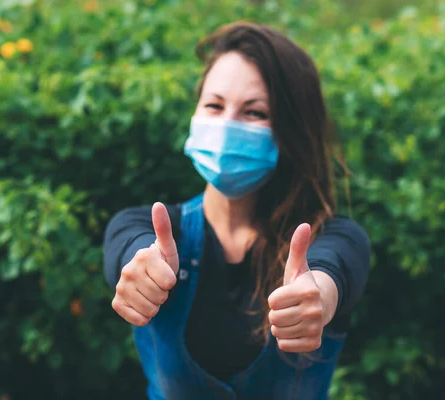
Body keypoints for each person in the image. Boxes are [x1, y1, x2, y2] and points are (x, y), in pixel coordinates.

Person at [103, 21, 370, 400]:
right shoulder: (146, 229)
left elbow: (331, 272)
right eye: (214, 105)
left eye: (254, 112)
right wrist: (140, 269)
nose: (227, 125)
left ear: (290, 130)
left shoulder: (334, 239)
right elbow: (130, 247)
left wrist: (318, 299)